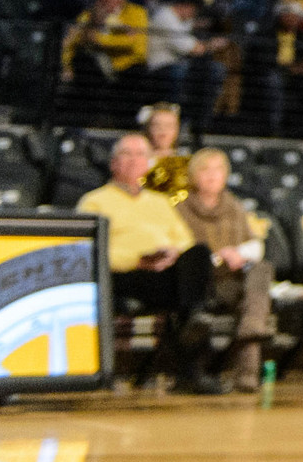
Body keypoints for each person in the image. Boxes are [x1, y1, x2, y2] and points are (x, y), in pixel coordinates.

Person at [77, 132, 221, 392]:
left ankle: (195, 320)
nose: (134, 160)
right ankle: (195, 327)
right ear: (113, 163)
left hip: (164, 273)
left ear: (149, 164)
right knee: (190, 298)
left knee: (199, 252)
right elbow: (90, 252)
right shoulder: (94, 201)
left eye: (141, 154)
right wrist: (138, 260)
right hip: (124, 276)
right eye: (127, 154)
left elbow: (185, 242)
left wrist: (170, 255)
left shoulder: (161, 202)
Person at [174, 147, 274, 390]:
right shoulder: (180, 208)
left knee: (261, 271)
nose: (212, 175)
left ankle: (247, 370)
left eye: (218, 169)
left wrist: (238, 253)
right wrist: (217, 257)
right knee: (254, 305)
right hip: (201, 284)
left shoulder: (235, 206)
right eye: (205, 169)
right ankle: (251, 339)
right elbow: (179, 249)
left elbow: (255, 245)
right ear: (194, 174)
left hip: (233, 280)